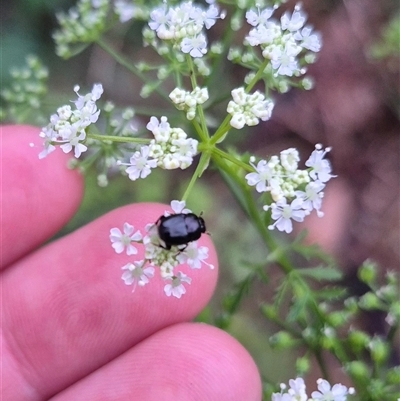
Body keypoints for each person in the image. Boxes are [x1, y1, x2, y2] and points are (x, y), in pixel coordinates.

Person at [1, 125, 261, 400]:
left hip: (165, 234)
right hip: (165, 236)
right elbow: (175, 232)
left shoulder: (186, 226)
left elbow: (173, 227)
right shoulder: (188, 232)